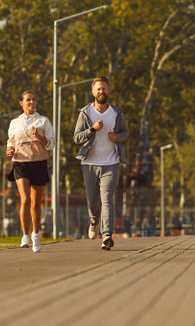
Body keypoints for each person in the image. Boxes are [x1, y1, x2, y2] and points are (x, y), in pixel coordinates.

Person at [73, 76, 128, 250]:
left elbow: (125, 131)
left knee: (107, 199)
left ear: (108, 90)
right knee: (92, 201)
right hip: (89, 163)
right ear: (93, 92)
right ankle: (94, 220)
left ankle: (107, 236)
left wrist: (117, 137)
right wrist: (92, 130)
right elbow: (76, 138)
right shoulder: (86, 113)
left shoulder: (117, 113)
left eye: (104, 88)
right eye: (98, 89)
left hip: (111, 162)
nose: (101, 92)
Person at [6, 90, 55, 252]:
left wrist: (38, 137)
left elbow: (51, 145)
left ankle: (36, 234)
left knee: (36, 202)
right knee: (25, 199)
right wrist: (9, 150)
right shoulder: (15, 123)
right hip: (20, 163)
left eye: (34, 99)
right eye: (28, 100)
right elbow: (11, 142)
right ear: (21, 103)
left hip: (39, 163)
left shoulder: (43, 121)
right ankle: (25, 235)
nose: (32, 102)